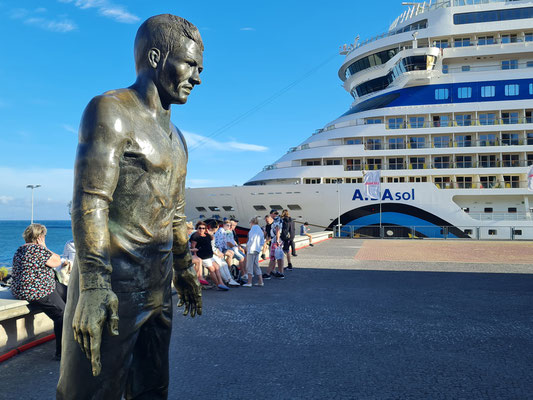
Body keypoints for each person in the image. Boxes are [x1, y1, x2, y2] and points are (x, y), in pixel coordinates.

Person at [57, 14, 204, 399]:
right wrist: (93, 284)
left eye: (199, 68)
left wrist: (185, 269)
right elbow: (90, 199)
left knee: (153, 390)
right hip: (111, 287)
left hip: (158, 287)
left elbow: (175, 212)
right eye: (189, 64)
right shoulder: (111, 110)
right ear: (156, 57)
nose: (198, 77)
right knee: (89, 393)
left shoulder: (179, 138)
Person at [11, 224, 68, 360]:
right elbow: (56, 261)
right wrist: (44, 246)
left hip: (24, 288)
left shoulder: (20, 249)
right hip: (37, 290)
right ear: (40, 237)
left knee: (68, 292)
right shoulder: (38, 249)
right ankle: (61, 352)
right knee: (62, 314)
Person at [190, 221, 229, 291]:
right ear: (197, 228)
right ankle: (218, 285)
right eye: (200, 228)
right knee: (212, 269)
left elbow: (212, 240)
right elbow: (193, 247)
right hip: (203, 256)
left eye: (203, 228)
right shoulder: (195, 236)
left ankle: (221, 283)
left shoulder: (207, 235)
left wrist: (210, 235)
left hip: (210, 256)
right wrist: (196, 255)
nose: (201, 230)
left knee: (217, 267)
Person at [243, 217, 265, 287]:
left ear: (251, 222)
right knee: (256, 265)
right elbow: (262, 241)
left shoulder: (253, 229)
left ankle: (249, 282)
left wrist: (247, 246)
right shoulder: (260, 230)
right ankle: (260, 281)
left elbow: (251, 240)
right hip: (257, 249)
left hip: (251, 249)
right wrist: (259, 247)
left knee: (250, 266)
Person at [264, 210, 285, 279]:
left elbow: (277, 230)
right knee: (280, 257)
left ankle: (268, 274)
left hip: (275, 241)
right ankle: (281, 273)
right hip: (280, 241)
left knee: (273, 257)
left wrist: (277, 240)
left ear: (271, 214)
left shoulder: (276, 220)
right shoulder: (280, 219)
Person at [187, 222, 209, 286]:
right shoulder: (185, 237)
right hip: (183, 255)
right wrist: (193, 250)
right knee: (198, 260)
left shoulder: (188, 236)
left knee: (199, 259)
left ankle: (198, 277)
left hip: (188, 253)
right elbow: (182, 249)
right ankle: (196, 278)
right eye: (190, 229)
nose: (191, 231)